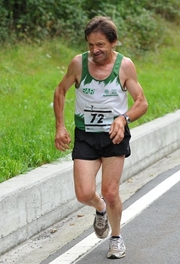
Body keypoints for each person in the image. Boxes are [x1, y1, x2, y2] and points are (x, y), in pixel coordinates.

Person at [53, 16, 148, 259]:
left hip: (114, 137)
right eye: (90, 45)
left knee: (111, 190)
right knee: (84, 193)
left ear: (114, 43)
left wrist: (123, 118)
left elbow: (142, 103)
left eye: (101, 45)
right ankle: (100, 209)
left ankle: (116, 238)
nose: (95, 50)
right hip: (85, 135)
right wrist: (60, 127)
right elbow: (60, 90)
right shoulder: (78, 64)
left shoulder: (125, 66)